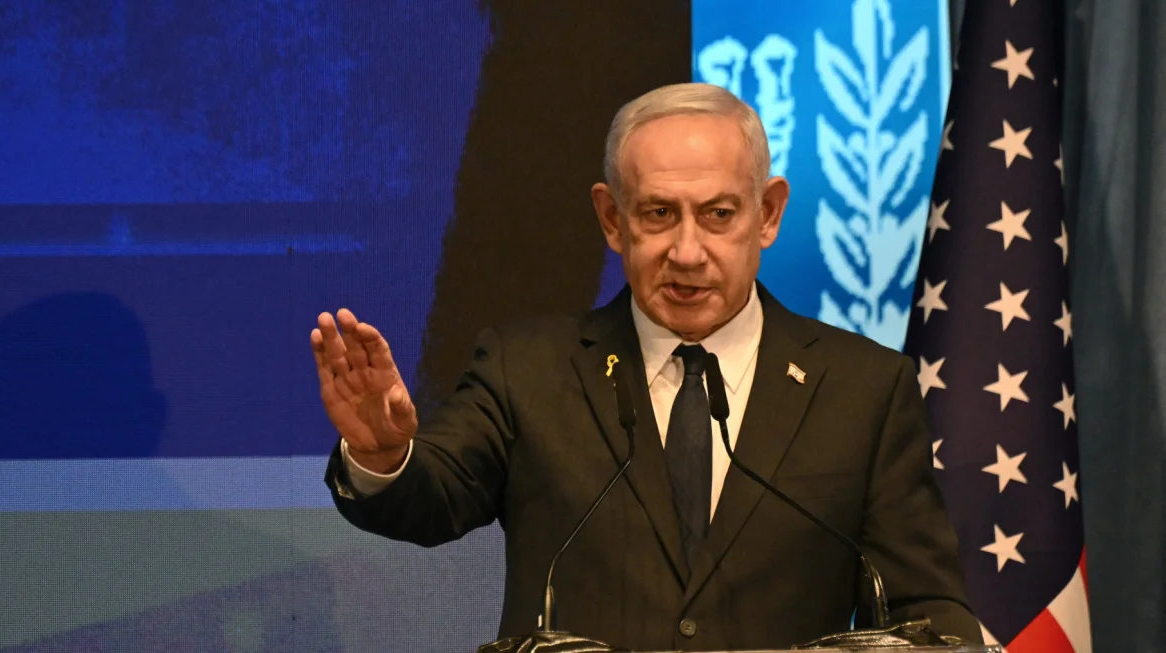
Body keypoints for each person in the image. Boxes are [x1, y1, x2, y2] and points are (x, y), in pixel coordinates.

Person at [310, 82, 982, 650]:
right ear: (611, 217)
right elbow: (431, 499)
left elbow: (923, 607)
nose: (686, 252)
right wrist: (384, 451)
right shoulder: (527, 369)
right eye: (658, 214)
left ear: (768, 213)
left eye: (718, 214)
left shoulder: (862, 387)